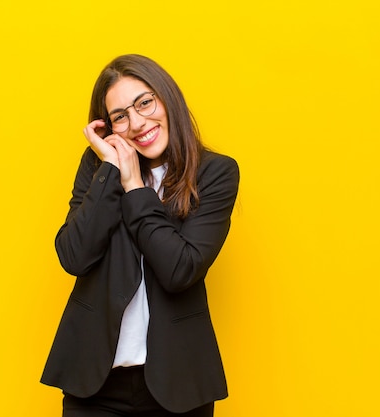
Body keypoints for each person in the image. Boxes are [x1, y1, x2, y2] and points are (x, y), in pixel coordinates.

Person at [41, 54, 240, 416]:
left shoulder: (215, 173)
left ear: (167, 99)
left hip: (178, 385)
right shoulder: (99, 167)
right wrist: (112, 168)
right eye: (120, 116)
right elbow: (74, 255)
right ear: (108, 126)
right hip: (95, 386)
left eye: (145, 102)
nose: (137, 122)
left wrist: (135, 187)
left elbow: (180, 269)